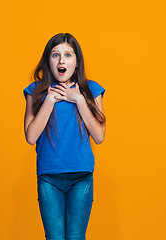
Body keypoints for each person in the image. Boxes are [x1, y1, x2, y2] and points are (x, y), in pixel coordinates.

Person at [23, 33, 106, 240]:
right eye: (55, 55)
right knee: (54, 238)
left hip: (81, 176)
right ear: (48, 61)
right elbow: (31, 136)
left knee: (76, 237)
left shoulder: (90, 90)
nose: (62, 60)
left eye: (68, 55)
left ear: (77, 62)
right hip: (49, 177)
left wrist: (78, 99)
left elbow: (99, 136)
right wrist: (50, 100)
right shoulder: (35, 91)